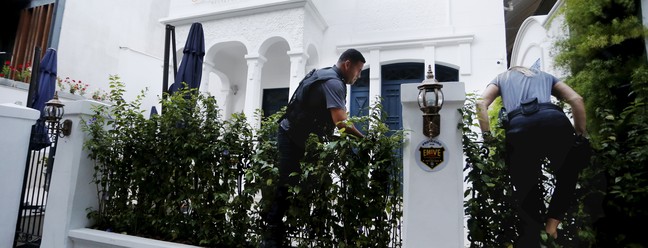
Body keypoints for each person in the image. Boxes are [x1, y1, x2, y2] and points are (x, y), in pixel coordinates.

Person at [261, 48, 366, 247]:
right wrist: (364, 139)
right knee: (285, 184)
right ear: (347, 64)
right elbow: (341, 123)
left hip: (298, 135)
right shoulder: (334, 83)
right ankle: (270, 237)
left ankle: (293, 228)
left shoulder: (325, 73)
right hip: (291, 136)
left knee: (307, 182)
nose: (358, 75)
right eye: (358, 70)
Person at [476, 66, 587, 247]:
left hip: (519, 128)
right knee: (568, 175)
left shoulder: (501, 78)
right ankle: (552, 224)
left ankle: (534, 235)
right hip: (555, 122)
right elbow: (576, 99)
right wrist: (580, 135)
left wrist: (488, 137)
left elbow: (480, 103)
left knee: (525, 185)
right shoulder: (545, 76)